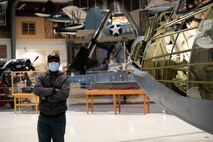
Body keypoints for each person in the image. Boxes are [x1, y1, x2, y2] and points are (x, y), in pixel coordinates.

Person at [33, 53, 70, 142]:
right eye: (51, 61)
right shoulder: (41, 76)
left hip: (59, 118)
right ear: (48, 63)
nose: (53, 63)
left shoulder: (64, 78)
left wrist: (47, 97)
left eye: (55, 61)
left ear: (59, 63)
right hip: (43, 117)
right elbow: (37, 90)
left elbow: (64, 94)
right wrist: (53, 91)